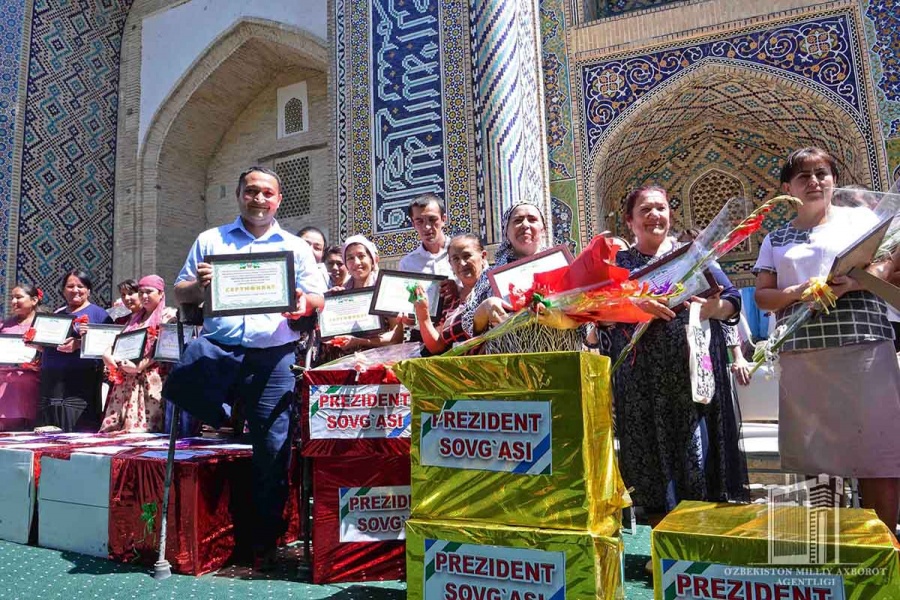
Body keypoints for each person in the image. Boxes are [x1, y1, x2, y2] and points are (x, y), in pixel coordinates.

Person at [163, 166, 325, 568]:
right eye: (252, 191)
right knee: (183, 386)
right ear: (239, 195)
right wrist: (200, 285)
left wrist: (303, 303)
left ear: (279, 200)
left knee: (272, 447)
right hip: (221, 349)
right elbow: (180, 290)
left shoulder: (294, 247)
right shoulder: (211, 240)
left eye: (267, 193)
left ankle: (264, 540)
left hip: (273, 355)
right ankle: (220, 416)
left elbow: (318, 297)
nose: (259, 199)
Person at [754, 147, 900, 531]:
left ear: (834, 180)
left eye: (822, 173)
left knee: (878, 454)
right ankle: (834, 546)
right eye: (803, 176)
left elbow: (887, 264)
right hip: (805, 358)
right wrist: (798, 292)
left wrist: (853, 283)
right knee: (819, 461)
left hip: (863, 347)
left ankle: (883, 547)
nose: (815, 182)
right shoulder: (777, 239)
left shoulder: (861, 220)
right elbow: (763, 296)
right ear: (787, 188)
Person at [606, 186, 748, 518]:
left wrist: (713, 309)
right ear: (630, 221)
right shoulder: (619, 265)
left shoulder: (691, 256)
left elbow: (732, 300)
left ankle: (698, 523)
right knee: (649, 455)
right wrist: (634, 305)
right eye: (645, 210)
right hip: (641, 381)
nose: (654, 215)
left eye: (661, 208)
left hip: (690, 376)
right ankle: (658, 525)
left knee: (695, 451)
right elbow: (599, 312)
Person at [463, 201, 585, 354]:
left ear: (543, 229)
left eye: (532, 219)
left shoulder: (565, 267)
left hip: (563, 360)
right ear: (506, 231)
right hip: (506, 365)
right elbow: (467, 322)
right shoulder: (489, 276)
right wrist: (485, 308)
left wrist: (565, 320)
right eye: (517, 220)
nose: (525, 225)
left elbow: (590, 319)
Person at [38, 270, 113, 431]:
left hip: (80, 382)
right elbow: (50, 344)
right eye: (70, 286)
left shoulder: (99, 315)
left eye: (80, 286)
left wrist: (79, 344)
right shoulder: (58, 314)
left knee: (76, 430)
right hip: (52, 381)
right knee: (50, 430)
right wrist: (38, 344)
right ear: (63, 290)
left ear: (89, 290)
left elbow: (109, 345)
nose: (75, 290)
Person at [100, 275, 176, 433]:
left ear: (161, 293)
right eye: (141, 292)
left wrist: (138, 367)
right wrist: (108, 354)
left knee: (144, 429)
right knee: (116, 430)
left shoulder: (169, 316)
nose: (144, 296)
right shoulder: (135, 318)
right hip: (127, 380)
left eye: (149, 292)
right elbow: (119, 341)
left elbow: (163, 347)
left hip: (150, 380)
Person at [323, 235, 404, 353]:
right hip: (347, 360)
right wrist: (330, 305)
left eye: (361, 256)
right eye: (350, 258)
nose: (356, 262)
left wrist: (360, 341)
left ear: (372, 260)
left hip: (381, 358)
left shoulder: (385, 290)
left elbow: (397, 337)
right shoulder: (342, 293)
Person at [413, 234, 488, 354]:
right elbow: (437, 346)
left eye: (467, 256)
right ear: (450, 263)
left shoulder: (492, 288)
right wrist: (423, 315)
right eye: (456, 259)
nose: (462, 263)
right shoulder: (451, 300)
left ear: (483, 256)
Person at [0, 284, 43, 431]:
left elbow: (53, 352)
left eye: (18, 297)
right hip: (5, 384)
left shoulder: (43, 324)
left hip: (33, 383)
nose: (13, 301)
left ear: (34, 300)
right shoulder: (5, 325)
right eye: (12, 298)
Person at [398, 193, 453, 277]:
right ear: (413, 224)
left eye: (432, 219)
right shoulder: (408, 264)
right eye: (419, 221)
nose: (426, 227)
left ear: (443, 219)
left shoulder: (461, 253)